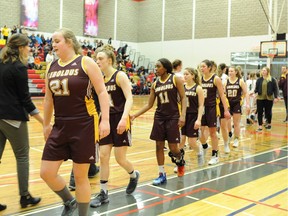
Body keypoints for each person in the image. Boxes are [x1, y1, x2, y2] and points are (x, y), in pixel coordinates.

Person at [40, 28, 110, 216]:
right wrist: (46, 124)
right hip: (60, 124)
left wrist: (105, 121)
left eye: (57, 41)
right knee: (46, 172)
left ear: (69, 41)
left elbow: (102, 92)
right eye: (52, 41)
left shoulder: (85, 62)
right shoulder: (51, 66)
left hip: (84, 124)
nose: (53, 45)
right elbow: (48, 99)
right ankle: (69, 201)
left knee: (80, 176)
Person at [90, 44, 140, 208]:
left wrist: (124, 118)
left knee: (120, 158)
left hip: (120, 118)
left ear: (110, 60)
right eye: (96, 59)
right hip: (105, 120)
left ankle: (133, 175)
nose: (97, 61)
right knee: (103, 156)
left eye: (101, 58)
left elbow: (130, 99)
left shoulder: (120, 76)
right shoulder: (98, 79)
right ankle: (103, 192)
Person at [0, 33, 43, 209]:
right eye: (27, 46)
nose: (29, 48)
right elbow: (25, 100)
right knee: (23, 156)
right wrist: (43, 121)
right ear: (20, 48)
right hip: (13, 119)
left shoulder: (1, 64)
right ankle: (24, 196)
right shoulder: (18, 67)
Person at [131, 58, 187, 185]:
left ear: (165, 68)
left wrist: (183, 115)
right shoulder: (155, 84)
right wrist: (135, 115)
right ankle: (161, 174)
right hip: (160, 117)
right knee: (158, 146)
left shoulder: (175, 79)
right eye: (155, 66)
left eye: (158, 66)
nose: (155, 69)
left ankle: (180, 159)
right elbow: (149, 104)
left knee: (173, 148)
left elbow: (183, 97)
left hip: (173, 116)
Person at [199, 60, 230, 165]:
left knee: (212, 133)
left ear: (209, 67)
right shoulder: (199, 79)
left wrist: (226, 110)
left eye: (203, 66)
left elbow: (222, 95)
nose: (201, 68)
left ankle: (215, 155)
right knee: (199, 133)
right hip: (201, 108)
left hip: (212, 108)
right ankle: (205, 146)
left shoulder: (215, 79)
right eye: (200, 66)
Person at [175, 67, 204, 172]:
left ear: (193, 75)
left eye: (187, 74)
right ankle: (179, 161)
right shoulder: (182, 87)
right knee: (181, 140)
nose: (185, 76)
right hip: (184, 116)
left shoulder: (198, 88)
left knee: (192, 142)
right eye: (184, 74)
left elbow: (201, 106)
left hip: (193, 116)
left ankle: (199, 151)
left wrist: (199, 120)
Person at [224, 66, 247, 148]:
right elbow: (223, 93)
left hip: (237, 103)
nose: (230, 73)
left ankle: (236, 139)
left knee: (236, 123)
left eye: (231, 71)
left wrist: (243, 100)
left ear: (236, 72)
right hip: (228, 103)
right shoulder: (226, 82)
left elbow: (245, 92)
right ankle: (230, 133)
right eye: (229, 71)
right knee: (227, 122)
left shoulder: (240, 81)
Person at [254, 67, 280, 132]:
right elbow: (256, 88)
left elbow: (275, 89)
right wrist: (253, 92)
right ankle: (260, 126)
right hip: (260, 98)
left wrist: (276, 97)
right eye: (262, 70)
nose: (263, 71)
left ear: (267, 71)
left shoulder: (272, 79)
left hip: (269, 98)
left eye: (264, 70)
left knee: (268, 112)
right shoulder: (259, 80)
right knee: (259, 112)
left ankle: (269, 124)